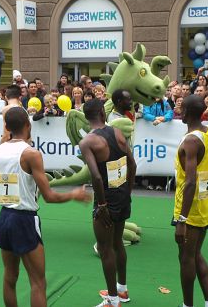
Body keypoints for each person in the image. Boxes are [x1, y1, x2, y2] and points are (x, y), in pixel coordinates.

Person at [0, 106, 90, 306]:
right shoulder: (31, 154)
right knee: (38, 282)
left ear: (8, 127)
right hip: (24, 219)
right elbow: (49, 196)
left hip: (4, 217)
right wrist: (74, 194)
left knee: (9, 277)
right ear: (28, 125)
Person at [78, 99, 136, 307]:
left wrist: (101, 205)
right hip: (122, 195)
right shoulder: (118, 132)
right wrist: (128, 191)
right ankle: (122, 290)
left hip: (106, 200)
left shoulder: (87, 142)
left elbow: (96, 177)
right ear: (103, 112)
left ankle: (113, 300)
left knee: (105, 249)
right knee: (117, 242)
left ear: (86, 117)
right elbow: (132, 163)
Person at [173, 94, 208, 307]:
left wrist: (181, 220)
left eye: (181, 108)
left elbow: (190, 181)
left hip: (191, 208)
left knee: (186, 258)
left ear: (188, 113)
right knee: (195, 253)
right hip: (207, 203)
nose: (178, 111)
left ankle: (187, 305)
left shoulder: (191, 141)